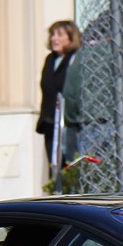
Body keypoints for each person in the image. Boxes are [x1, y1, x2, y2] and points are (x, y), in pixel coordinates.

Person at [61, 13, 123, 191]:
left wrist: (74, 122)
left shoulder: (83, 58)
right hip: (122, 127)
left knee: (93, 180)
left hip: (89, 126)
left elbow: (70, 94)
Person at [35, 20, 81, 178]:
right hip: (50, 123)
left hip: (68, 124)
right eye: (52, 34)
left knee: (69, 168)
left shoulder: (74, 60)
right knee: (54, 169)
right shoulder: (50, 60)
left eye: (60, 35)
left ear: (70, 38)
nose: (54, 38)